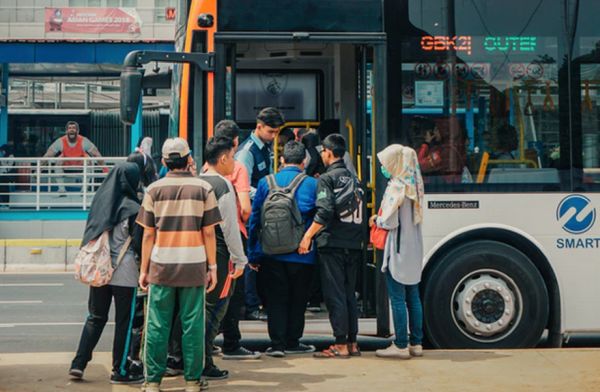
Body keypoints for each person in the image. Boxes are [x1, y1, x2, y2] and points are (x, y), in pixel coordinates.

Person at [136, 137, 220, 392]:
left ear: (164, 161)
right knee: (192, 324)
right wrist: (213, 267)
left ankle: (152, 382)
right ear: (189, 159)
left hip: (162, 266)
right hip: (194, 265)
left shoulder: (154, 190)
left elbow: (148, 234)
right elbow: (208, 233)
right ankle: (193, 381)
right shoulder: (203, 189)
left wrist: (144, 270)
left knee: (157, 324)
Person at [68, 162, 145, 384]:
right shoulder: (133, 208)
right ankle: (119, 370)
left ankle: (78, 364)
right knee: (124, 322)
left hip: (99, 270)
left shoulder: (100, 205)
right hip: (125, 273)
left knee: (95, 317)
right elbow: (139, 244)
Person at [248, 141, 318, 357]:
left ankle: (277, 344)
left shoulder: (265, 182)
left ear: (281, 160)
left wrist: (254, 253)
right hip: (302, 254)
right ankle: (293, 341)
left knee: (276, 299)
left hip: (271, 253)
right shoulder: (311, 184)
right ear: (304, 162)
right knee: (298, 298)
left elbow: (255, 218)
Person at [299, 134, 364, 358]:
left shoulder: (327, 179)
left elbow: (325, 211)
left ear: (327, 152)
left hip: (333, 243)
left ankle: (340, 344)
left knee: (334, 294)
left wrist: (308, 236)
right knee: (348, 294)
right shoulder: (355, 179)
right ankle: (353, 342)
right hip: (354, 243)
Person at [198, 136, 248, 378]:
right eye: (233, 157)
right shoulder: (222, 185)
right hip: (219, 255)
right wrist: (240, 259)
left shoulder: (196, 181)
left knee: (195, 310)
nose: (234, 162)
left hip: (196, 255)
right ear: (223, 158)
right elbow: (230, 227)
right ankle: (204, 362)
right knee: (215, 310)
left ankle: (185, 357)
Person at [369, 144, 425, 359]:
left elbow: (389, 221)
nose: (383, 167)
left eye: (386, 163)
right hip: (414, 249)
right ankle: (416, 343)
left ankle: (401, 345)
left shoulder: (397, 188)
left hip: (398, 250)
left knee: (397, 298)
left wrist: (376, 219)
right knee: (413, 296)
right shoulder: (415, 185)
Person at [213, 120, 261, 360]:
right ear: (234, 142)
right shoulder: (238, 167)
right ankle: (231, 342)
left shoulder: (206, 168)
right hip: (233, 235)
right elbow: (245, 209)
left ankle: (209, 340)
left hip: (210, 236)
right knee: (232, 292)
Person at [235, 107, 285, 321]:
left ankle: (256, 302)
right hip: (250, 211)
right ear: (259, 127)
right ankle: (250, 305)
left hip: (262, 208)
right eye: (271, 132)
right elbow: (242, 186)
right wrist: (268, 193)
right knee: (249, 259)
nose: (274, 136)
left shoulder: (264, 148)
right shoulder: (247, 152)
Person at [43, 121, 104, 192]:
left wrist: (105, 169)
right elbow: (48, 155)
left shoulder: (84, 141)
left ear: (77, 131)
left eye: (74, 128)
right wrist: (38, 170)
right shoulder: (60, 141)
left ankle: (84, 189)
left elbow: (96, 154)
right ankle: (61, 189)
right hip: (66, 163)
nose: (71, 130)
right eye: (69, 128)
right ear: (66, 131)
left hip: (81, 163)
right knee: (58, 161)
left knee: (89, 160)